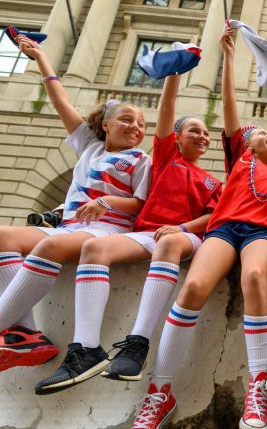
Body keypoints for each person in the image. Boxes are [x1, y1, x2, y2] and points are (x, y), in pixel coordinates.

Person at [129, 25, 267, 429]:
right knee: (192, 288)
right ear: (247, 140)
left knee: (255, 276)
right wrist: (227, 59)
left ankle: (258, 389)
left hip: (263, 235)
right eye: (263, 133)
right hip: (223, 230)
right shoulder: (240, 156)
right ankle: (160, 391)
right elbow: (229, 105)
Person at [33, 72, 222, 395]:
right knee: (95, 249)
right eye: (195, 130)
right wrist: (174, 75)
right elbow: (167, 108)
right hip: (146, 234)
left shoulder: (212, 182)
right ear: (175, 138)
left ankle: (137, 344)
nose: (203, 136)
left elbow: (212, 217)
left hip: (182, 237)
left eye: (207, 133)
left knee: (169, 241)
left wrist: (180, 227)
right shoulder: (164, 159)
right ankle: (85, 349)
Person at [0, 36, 151, 372]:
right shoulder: (89, 145)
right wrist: (41, 58)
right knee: (3, 236)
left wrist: (109, 202)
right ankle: (24, 332)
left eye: (141, 124)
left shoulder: (141, 159)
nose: (135, 127)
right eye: (127, 120)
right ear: (106, 124)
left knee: (49, 248)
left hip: (105, 231)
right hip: (69, 228)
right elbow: (60, 101)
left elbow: (140, 205)